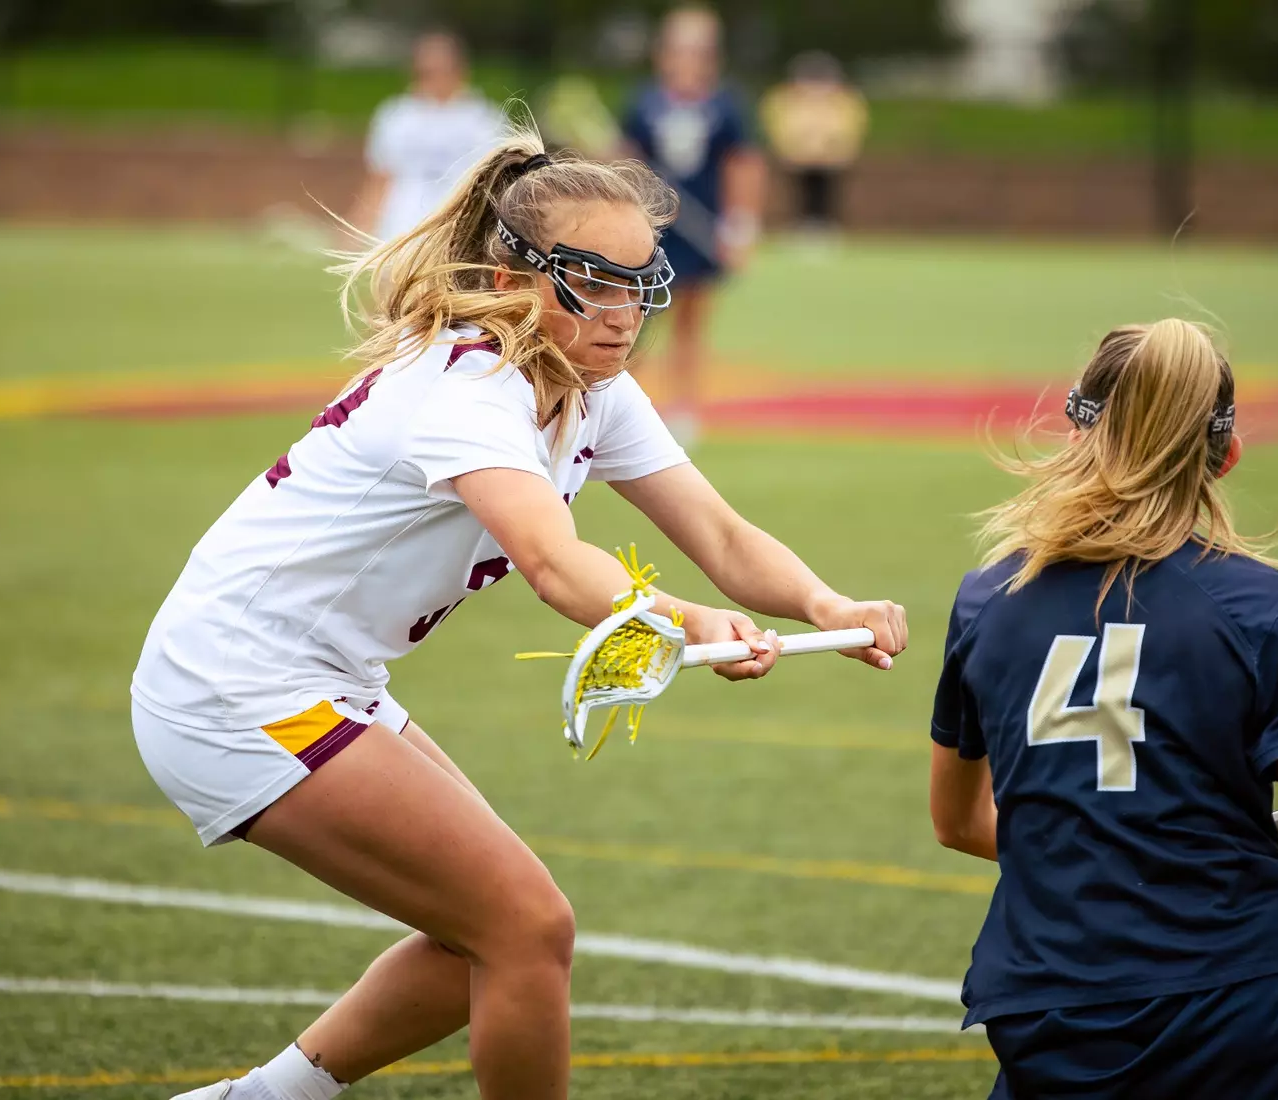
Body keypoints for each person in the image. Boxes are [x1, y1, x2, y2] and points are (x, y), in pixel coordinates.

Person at [136, 127, 907, 1100]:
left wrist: (825, 601)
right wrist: (689, 619)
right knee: (525, 926)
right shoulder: (470, 386)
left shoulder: (593, 386)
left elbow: (721, 533)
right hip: (233, 688)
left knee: (497, 930)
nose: (626, 313)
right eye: (597, 281)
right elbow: (552, 562)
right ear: (515, 279)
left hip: (316, 678)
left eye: (641, 281)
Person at [928, 319, 1278, 1100]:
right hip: (1243, 995)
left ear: (1076, 431)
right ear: (1224, 454)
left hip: (1050, 1009)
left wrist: (1100, 849)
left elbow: (960, 823)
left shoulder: (986, 601)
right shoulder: (1272, 611)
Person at [621, 5, 766, 444]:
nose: (688, 58)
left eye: (698, 50)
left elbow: (744, 165)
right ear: (663, 54)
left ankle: (684, 409)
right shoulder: (644, 103)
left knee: (690, 323)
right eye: (679, 48)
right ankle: (628, 411)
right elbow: (626, 162)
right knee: (636, 321)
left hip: (702, 230)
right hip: (652, 232)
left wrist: (740, 226)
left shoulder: (726, 107)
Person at [348, 30, 504, 246]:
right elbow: (380, 177)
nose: (434, 79)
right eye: (426, 72)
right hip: (402, 228)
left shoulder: (484, 121)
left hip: (457, 229)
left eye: (441, 70)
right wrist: (361, 223)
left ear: (460, 70)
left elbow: (494, 182)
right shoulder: (396, 116)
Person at [759, 51, 867, 235]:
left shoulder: (843, 100)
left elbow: (850, 125)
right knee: (800, 191)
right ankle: (802, 223)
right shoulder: (785, 98)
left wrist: (838, 150)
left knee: (826, 191)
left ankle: (825, 224)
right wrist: (789, 149)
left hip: (830, 158)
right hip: (797, 157)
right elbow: (777, 123)